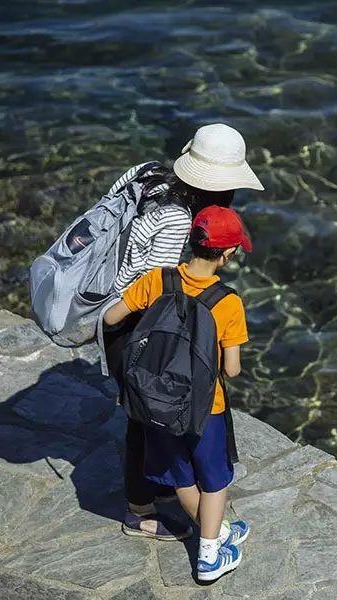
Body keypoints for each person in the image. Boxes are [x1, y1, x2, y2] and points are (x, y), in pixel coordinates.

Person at [100, 123, 263, 542]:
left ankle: (168, 486)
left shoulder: (149, 173)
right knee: (145, 415)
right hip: (141, 327)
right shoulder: (177, 221)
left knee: (148, 411)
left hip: (121, 308)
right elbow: (167, 292)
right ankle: (140, 508)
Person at [103, 205, 253, 582]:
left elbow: (111, 317)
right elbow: (231, 369)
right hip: (205, 408)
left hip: (156, 400)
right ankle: (208, 557)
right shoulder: (228, 302)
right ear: (229, 253)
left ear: (192, 241)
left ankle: (216, 532)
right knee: (215, 480)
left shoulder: (158, 279)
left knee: (181, 477)